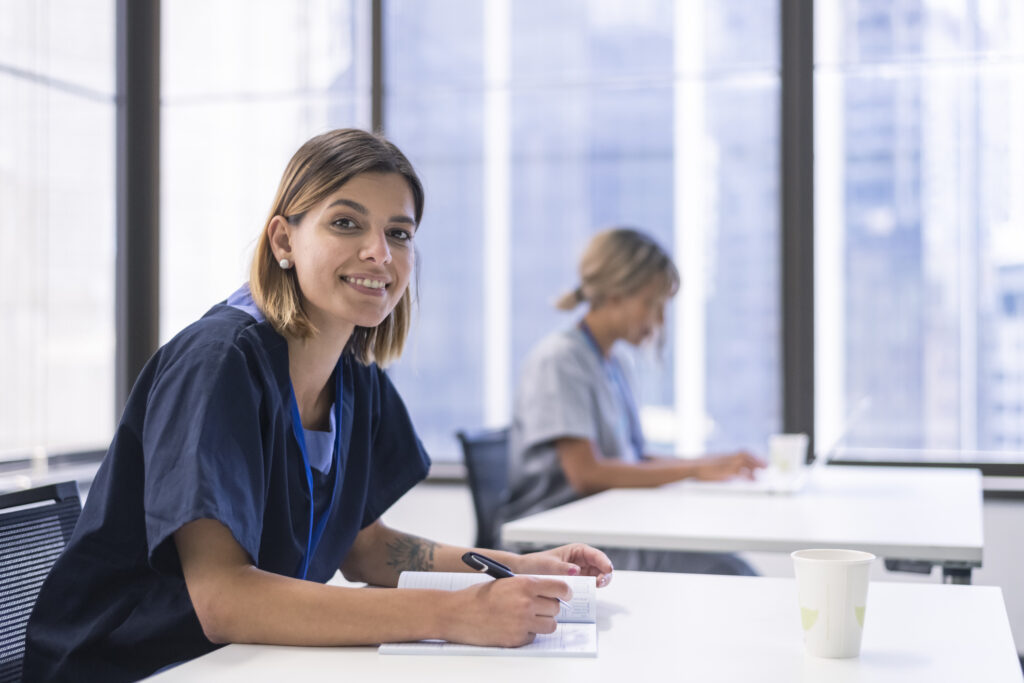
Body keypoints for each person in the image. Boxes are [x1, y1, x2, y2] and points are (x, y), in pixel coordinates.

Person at [23, 129, 613, 682]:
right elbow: (224, 599)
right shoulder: (218, 363)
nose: (379, 253)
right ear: (284, 240)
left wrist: (518, 567)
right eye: (346, 223)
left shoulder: (354, 373)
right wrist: (454, 614)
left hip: (244, 663)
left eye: (399, 233)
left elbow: (367, 549)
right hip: (133, 668)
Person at [506, 227, 764, 575]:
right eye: (651, 304)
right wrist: (694, 469)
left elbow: (632, 458)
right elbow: (587, 474)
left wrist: (708, 466)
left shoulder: (614, 362)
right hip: (560, 547)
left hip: (609, 525)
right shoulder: (559, 360)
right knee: (730, 572)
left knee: (725, 560)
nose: (659, 321)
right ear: (615, 294)